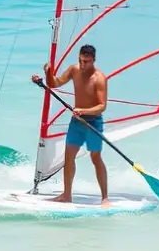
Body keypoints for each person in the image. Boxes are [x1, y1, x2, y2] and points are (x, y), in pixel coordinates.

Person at [31, 44, 108, 205]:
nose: (82, 65)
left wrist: (84, 111)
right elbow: (55, 83)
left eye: (86, 62)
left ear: (93, 60)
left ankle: (104, 198)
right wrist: (48, 73)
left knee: (96, 158)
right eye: (80, 60)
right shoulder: (74, 70)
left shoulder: (99, 78)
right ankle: (67, 195)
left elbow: (102, 106)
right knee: (69, 157)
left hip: (93, 122)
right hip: (76, 122)